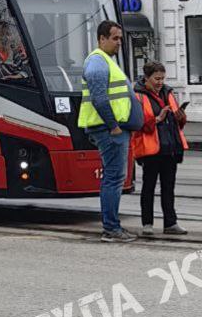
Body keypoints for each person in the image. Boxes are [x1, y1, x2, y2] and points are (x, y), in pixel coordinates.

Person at [77, 20, 141, 242]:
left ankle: (112, 227)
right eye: (115, 38)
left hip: (113, 129)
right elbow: (100, 99)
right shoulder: (97, 62)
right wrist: (113, 126)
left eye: (120, 38)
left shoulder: (106, 61)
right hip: (109, 130)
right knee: (114, 178)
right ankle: (111, 229)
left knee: (114, 177)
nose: (119, 43)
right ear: (101, 39)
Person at [133, 60, 189, 237]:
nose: (160, 82)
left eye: (163, 78)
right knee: (148, 186)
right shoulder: (138, 95)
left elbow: (178, 124)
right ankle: (147, 224)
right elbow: (137, 123)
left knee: (168, 187)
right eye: (157, 79)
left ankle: (170, 223)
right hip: (151, 149)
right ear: (147, 78)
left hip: (170, 146)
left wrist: (180, 117)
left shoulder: (168, 92)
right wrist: (158, 118)